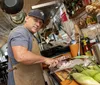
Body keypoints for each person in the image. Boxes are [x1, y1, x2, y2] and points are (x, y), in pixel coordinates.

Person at [7, 9, 59, 85]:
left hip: (32, 78)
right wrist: (44, 59)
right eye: (35, 20)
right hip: (22, 80)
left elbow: (33, 58)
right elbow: (21, 56)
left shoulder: (31, 35)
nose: (38, 24)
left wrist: (50, 61)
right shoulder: (20, 32)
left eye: (40, 22)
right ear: (27, 18)